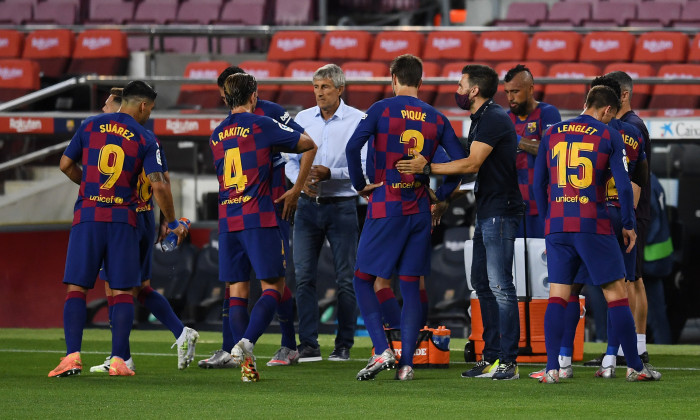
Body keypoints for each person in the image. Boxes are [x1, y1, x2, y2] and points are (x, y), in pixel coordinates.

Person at [50, 81, 188, 377]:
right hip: (123, 220)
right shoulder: (145, 137)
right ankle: (118, 360)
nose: (150, 113)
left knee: (77, 287)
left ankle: (72, 356)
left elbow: (64, 164)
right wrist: (172, 221)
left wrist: (90, 187)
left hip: (88, 215)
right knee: (125, 289)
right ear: (142, 105)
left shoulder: (89, 126)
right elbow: (159, 183)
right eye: (150, 108)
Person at [396, 64, 523, 380]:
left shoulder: (492, 118)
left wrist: (428, 169)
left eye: (461, 84)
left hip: (501, 212)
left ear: (474, 90)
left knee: (500, 287)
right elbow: (476, 169)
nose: (457, 88)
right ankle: (491, 356)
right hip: (488, 209)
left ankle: (508, 360)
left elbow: (472, 162)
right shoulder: (481, 118)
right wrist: (445, 198)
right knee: (482, 284)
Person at [347, 54, 466, 381]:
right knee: (411, 284)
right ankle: (407, 364)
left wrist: (361, 186)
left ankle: (382, 349)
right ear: (420, 81)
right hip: (418, 209)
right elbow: (461, 164)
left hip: (386, 202)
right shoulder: (437, 118)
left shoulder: (381, 109)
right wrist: (440, 198)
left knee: (362, 278)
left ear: (393, 78)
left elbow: (352, 147)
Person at [533, 84, 660, 383]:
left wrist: (547, 223)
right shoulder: (608, 134)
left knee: (558, 297)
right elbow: (625, 185)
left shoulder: (552, 133)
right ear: (607, 110)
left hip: (558, 224)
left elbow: (538, 184)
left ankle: (552, 369)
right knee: (616, 295)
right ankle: (635, 367)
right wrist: (628, 224)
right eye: (612, 114)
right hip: (593, 222)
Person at [198, 67, 314, 369]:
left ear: (226, 97)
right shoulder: (263, 123)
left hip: (229, 219)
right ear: (253, 94)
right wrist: (297, 189)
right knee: (274, 285)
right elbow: (308, 143)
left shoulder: (215, 134)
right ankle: (246, 344)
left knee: (237, 291)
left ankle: (253, 361)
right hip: (261, 214)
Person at [88, 87, 199, 373]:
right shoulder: (145, 140)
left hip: (125, 219)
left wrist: (168, 221)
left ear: (120, 106)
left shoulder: (119, 139)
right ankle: (176, 334)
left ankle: (121, 357)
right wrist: (165, 220)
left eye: (106, 104)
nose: (102, 109)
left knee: (117, 288)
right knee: (138, 288)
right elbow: (162, 180)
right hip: (143, 217)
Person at [285, 63, 365, 362]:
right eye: (316, 86)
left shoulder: (358, 120)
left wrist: (331, 173)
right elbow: (289, 161)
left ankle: (343, 344)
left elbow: (366, 169)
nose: (319, 92)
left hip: (343, 206)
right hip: (307, 207)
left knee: (346, 278)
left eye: (325, 87)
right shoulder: (302, 119)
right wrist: (300, 181)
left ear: (340, 89)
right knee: (304, 276)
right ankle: (308, 344)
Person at [605, 70, 653, 363]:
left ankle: (633, 346)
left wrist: (628, 218)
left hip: (632, 211)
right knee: (630, 279)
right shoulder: (628, 125)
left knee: (631, 280)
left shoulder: (632, 126)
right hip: (630, 210)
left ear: (624, 95)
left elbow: (636, 176)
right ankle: (634, 345)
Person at [503, 64, 561, 238]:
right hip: (513, 206)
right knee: (517, 263)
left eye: (515, 91)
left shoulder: (548, 113)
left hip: (543, 204)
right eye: (507, 92)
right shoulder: (505, 118)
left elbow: (551, 150)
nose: (510, 97)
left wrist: (517, 141)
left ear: (530, 89)